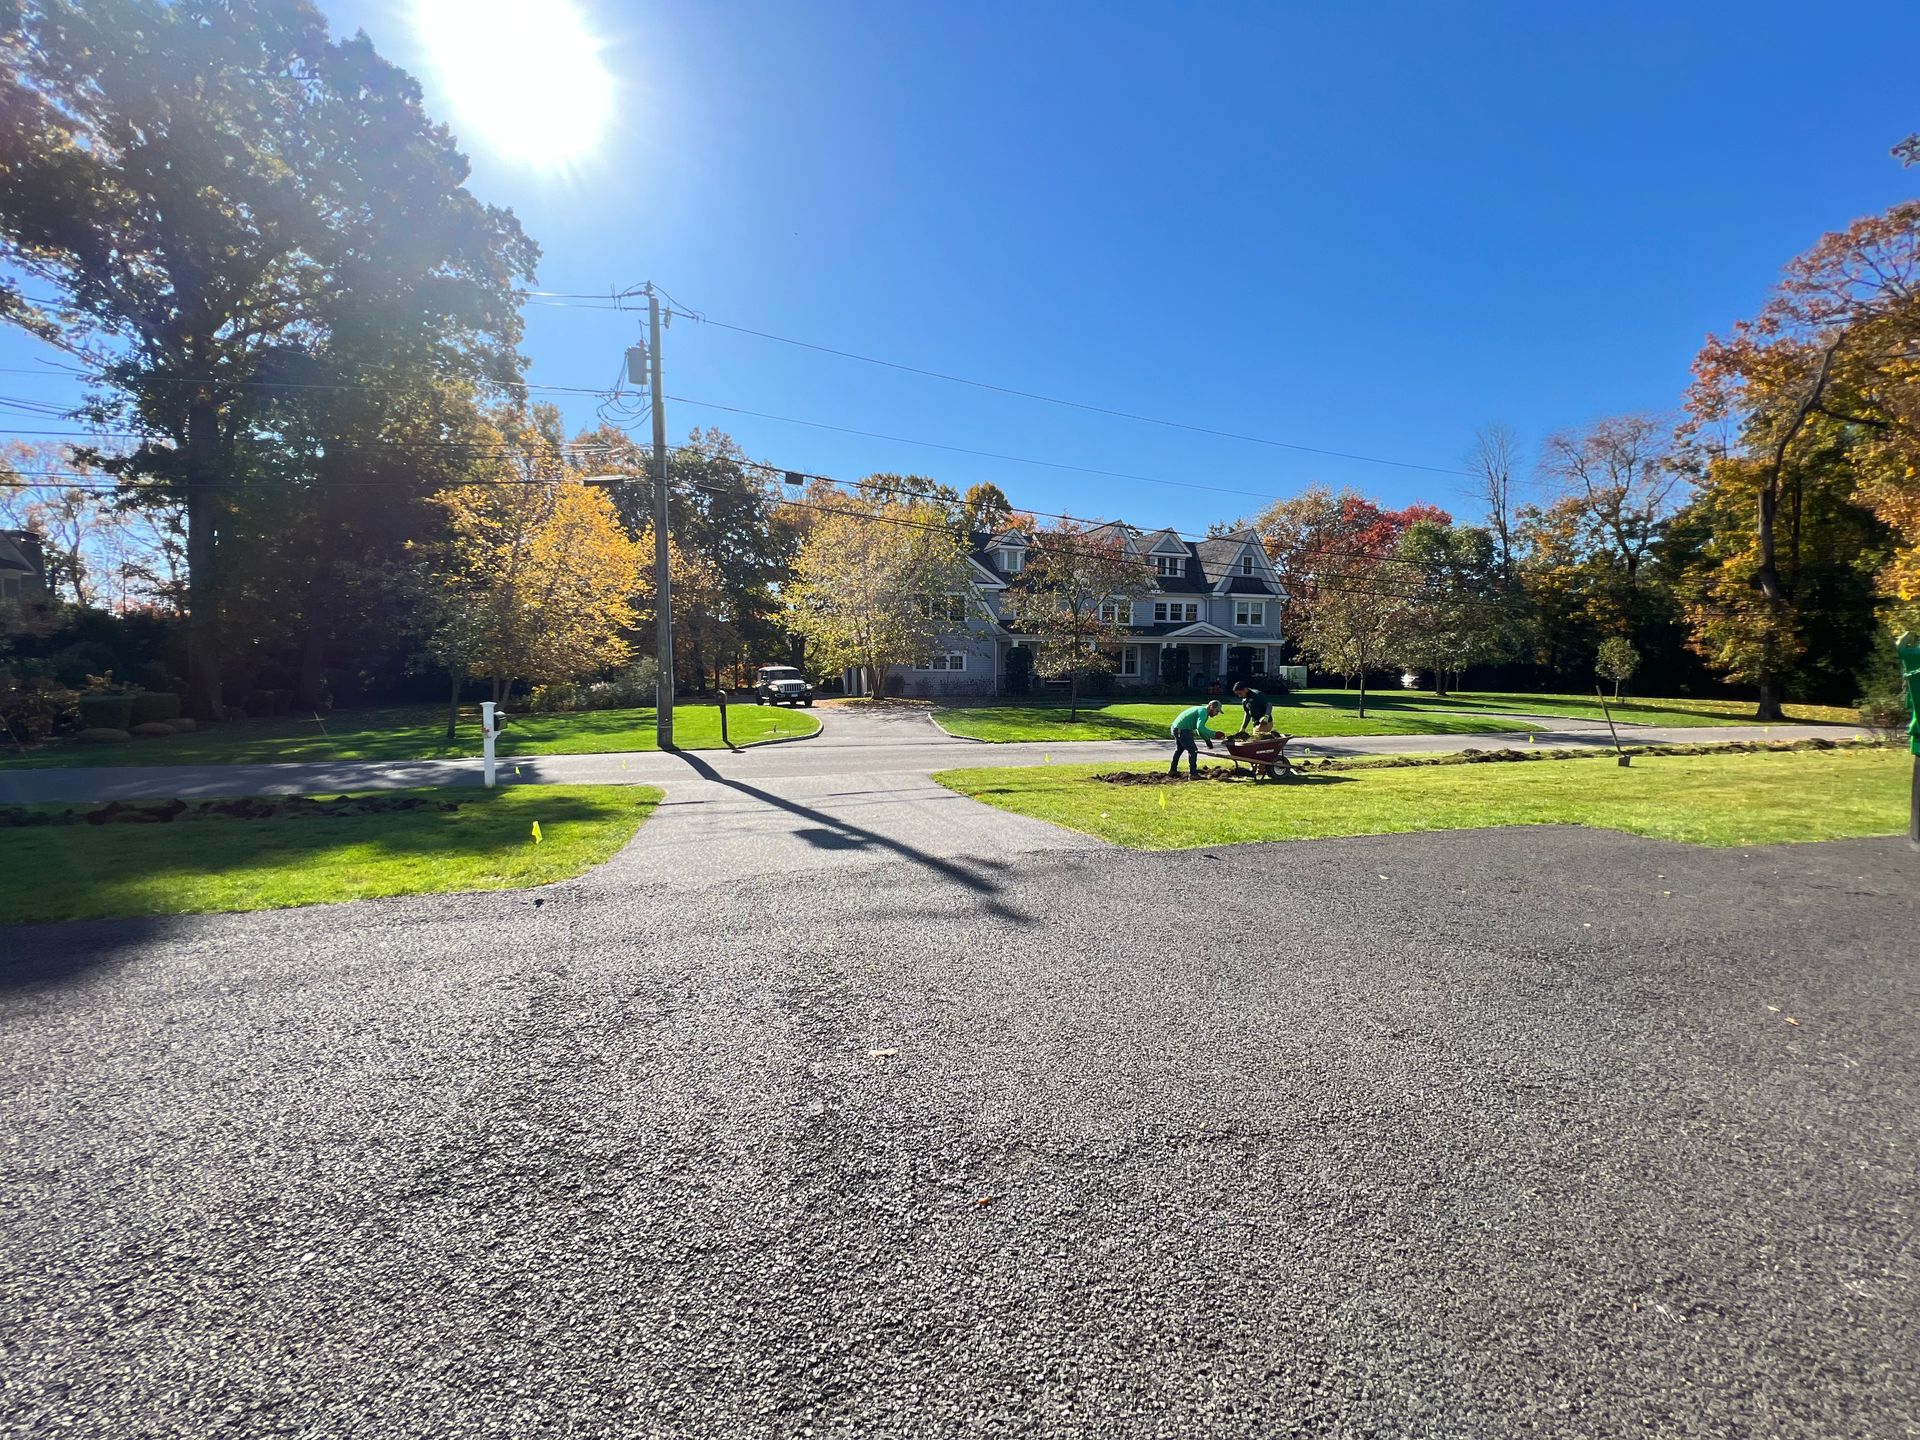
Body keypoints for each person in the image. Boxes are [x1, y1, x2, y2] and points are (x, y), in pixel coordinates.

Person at [1169, 699, 1223, 778]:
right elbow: (1200, 728)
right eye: (1217, 711)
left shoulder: (1201, 710)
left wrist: (1207, 740)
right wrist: (1214, 734)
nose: (1216, 714)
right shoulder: (1203, 712)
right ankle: (1193, 774)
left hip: (1176, 728)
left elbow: (1199, 730)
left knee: (1180, 749)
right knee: (1193, 750)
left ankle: (1172, 770)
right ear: (1211, 707)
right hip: (1182, 730)